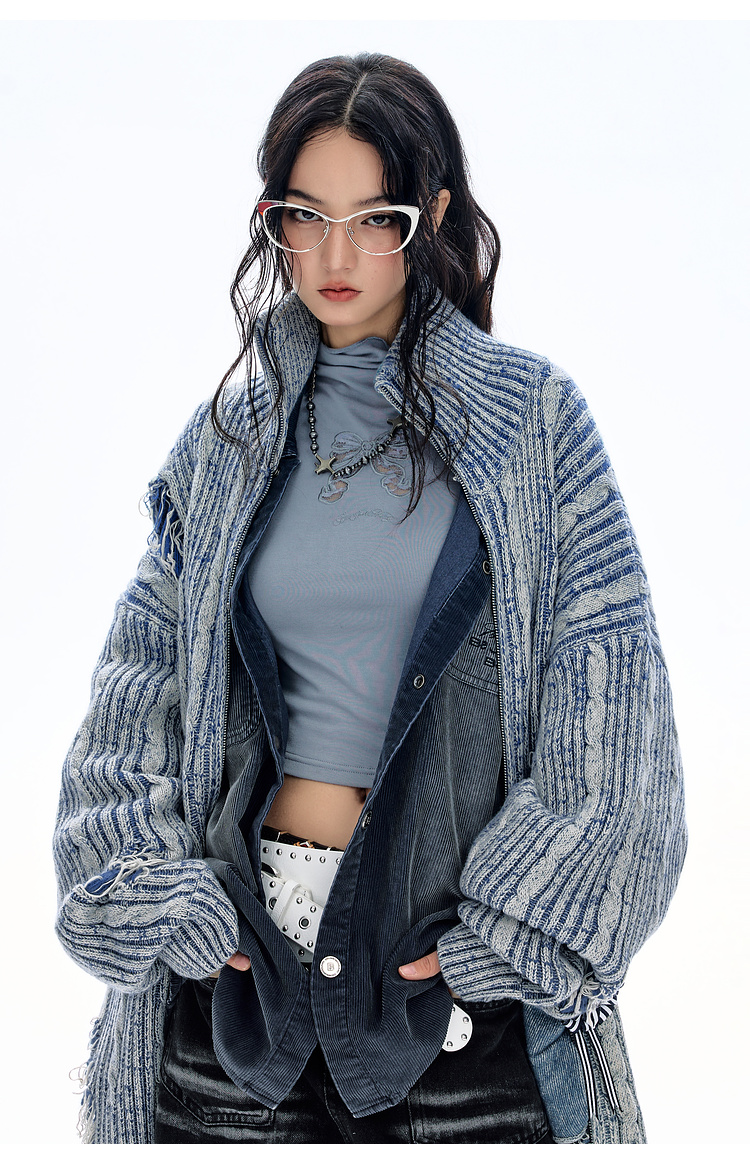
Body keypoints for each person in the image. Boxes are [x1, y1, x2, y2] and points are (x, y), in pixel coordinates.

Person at [53, 52, 687, 1145]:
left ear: (431, 215)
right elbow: (132, 708)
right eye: (305, 217)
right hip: (237, 1006)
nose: (335, 256)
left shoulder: (534, 431)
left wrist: (507, 936)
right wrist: (162, 898)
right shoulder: (224, 448)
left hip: (455, 1018)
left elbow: (616, 723)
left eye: (375, 219)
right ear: (273, 223)